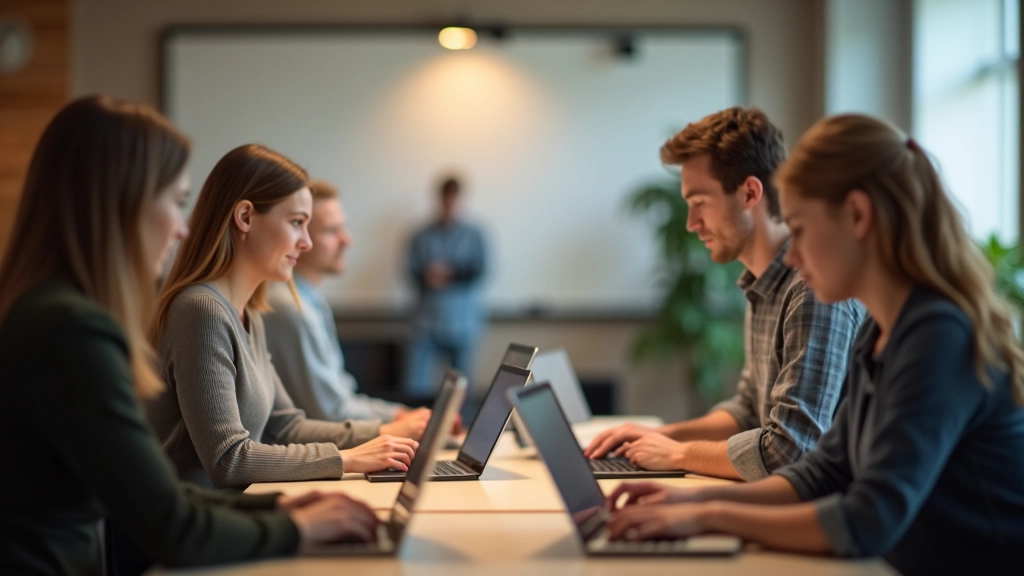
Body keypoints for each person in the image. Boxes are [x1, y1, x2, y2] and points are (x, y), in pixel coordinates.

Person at [606, 114, 1024, 575]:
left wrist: (707, 516)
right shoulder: (881, 331)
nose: (794, 254)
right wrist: (692, 499)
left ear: (859, 217)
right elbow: (822, 471)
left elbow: (868, 519)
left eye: (801, 229)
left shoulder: (939, 335)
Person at [0, 96, 381, 575]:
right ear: (121, 201)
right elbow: (173, 519)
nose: (182, 228)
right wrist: (300, 526)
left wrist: (281, 509)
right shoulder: (70, 331)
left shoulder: (50, 315)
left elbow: (164, 494)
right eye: (176, 202)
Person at [586, 107, 865, 481]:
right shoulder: (760, 283)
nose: (691, 224)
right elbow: (749, 410)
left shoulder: (811, 288)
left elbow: (790, 449)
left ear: (750, 192)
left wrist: (680, 454)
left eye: (699, 203)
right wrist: (659, 436)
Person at [147, 144, 420, 491]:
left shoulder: (249, 314)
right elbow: (228, 459)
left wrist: (381, 436)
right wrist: (349, 459)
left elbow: (286, 426)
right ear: (245, 217)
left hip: (230, 515)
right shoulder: (200, 311)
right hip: (192, 531)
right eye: (296, 223)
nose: (305, 243)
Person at [264, 179, 430, 428]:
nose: (347, 240)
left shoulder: (311, 301)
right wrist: (398, 422)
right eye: (332, 231)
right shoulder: (292, 310)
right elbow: (331, 413)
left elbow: (342, 399)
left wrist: (401, 415)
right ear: (300, 237)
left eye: (344, 228)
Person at [406, 176, 488, 397]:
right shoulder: (421, 234)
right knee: (416, 385)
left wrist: (450, 275)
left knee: (461, 390)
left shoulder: (474, 234)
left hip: (462, 322)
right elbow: (410, 272)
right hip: (426, 321)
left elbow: (480, 270)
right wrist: (428, 276)